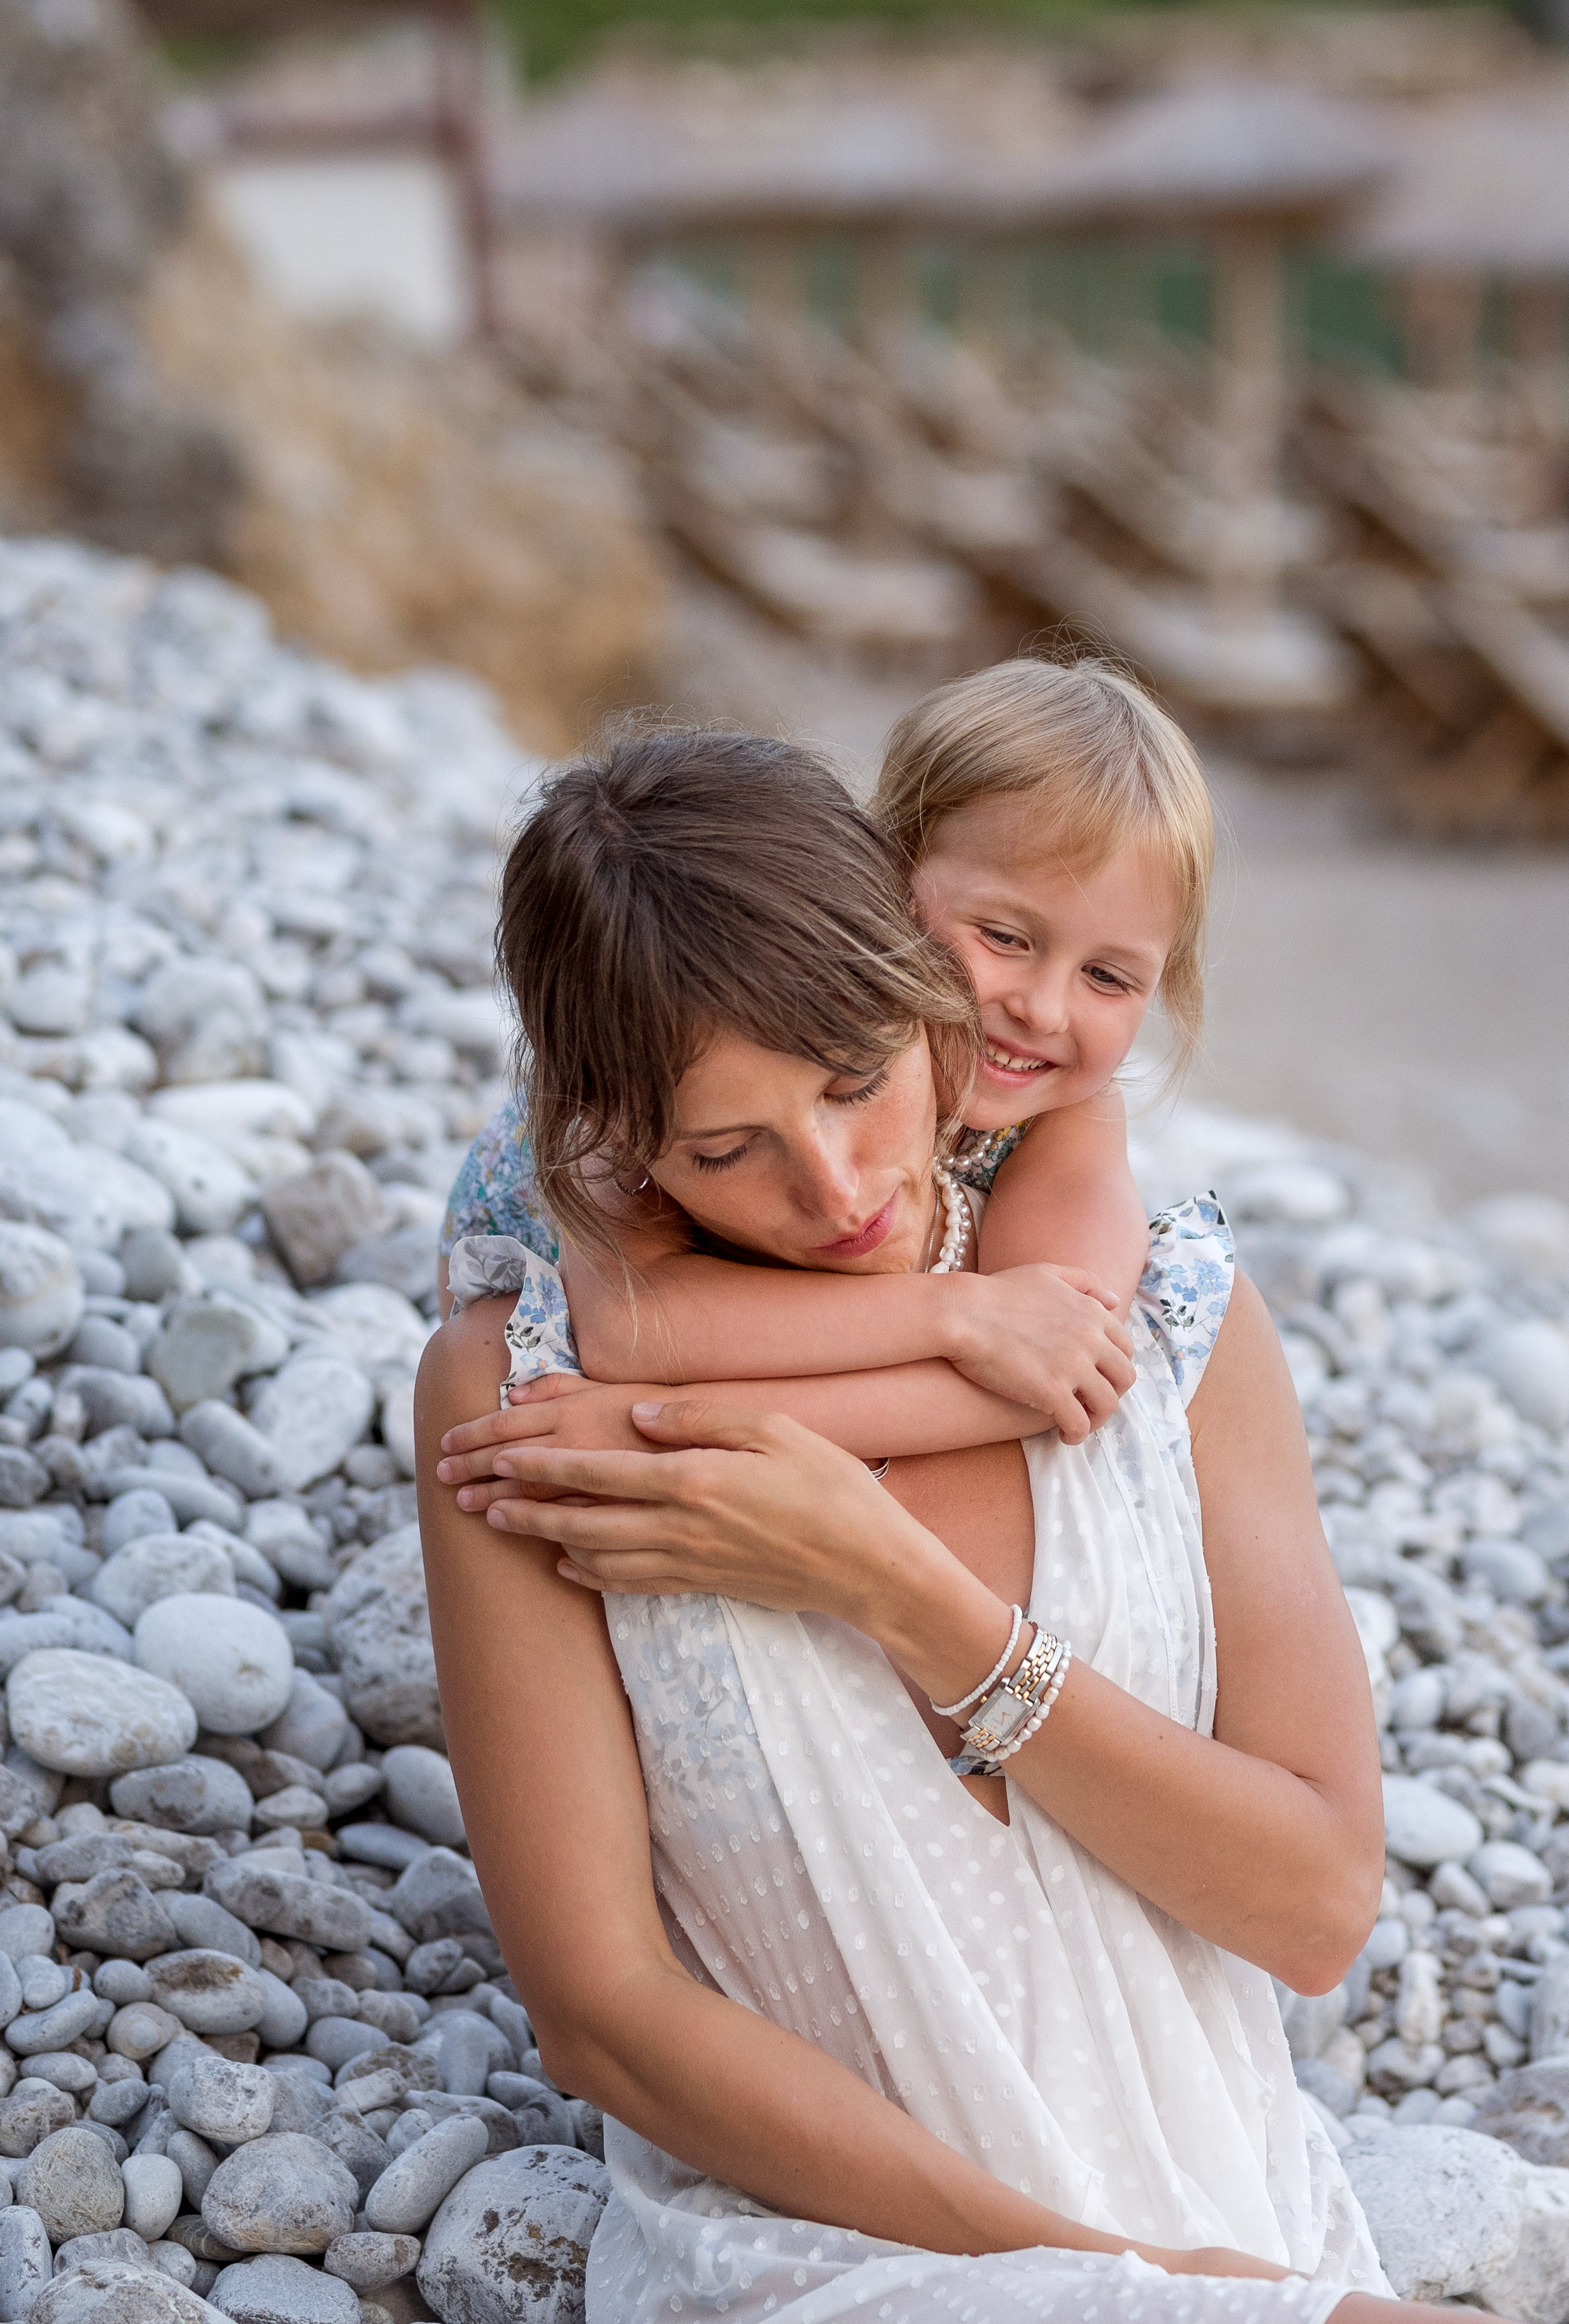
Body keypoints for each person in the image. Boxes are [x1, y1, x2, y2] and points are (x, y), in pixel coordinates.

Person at [415, 725, 1423, 2324]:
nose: (831, 1190)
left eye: (853, 1083)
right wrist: (1150, 2292)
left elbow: (1313, 1911)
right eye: (725, 1150)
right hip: (835, 2269)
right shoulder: (526, 1402)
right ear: (610, 1134)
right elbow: (600, 2018)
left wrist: (894, 1588)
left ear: (918, 992)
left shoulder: (1156, 1329)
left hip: (1254, 2223)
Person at [433, 660, 1210, 1444]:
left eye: (1108, 977)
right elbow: (629, 1329)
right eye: (1003, 937)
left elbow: (1063, 1352)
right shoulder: (644, 1091)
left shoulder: (1069, 1116)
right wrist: (955, 1316)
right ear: (883, 877)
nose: (1041, 1010)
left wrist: (649, 1430)